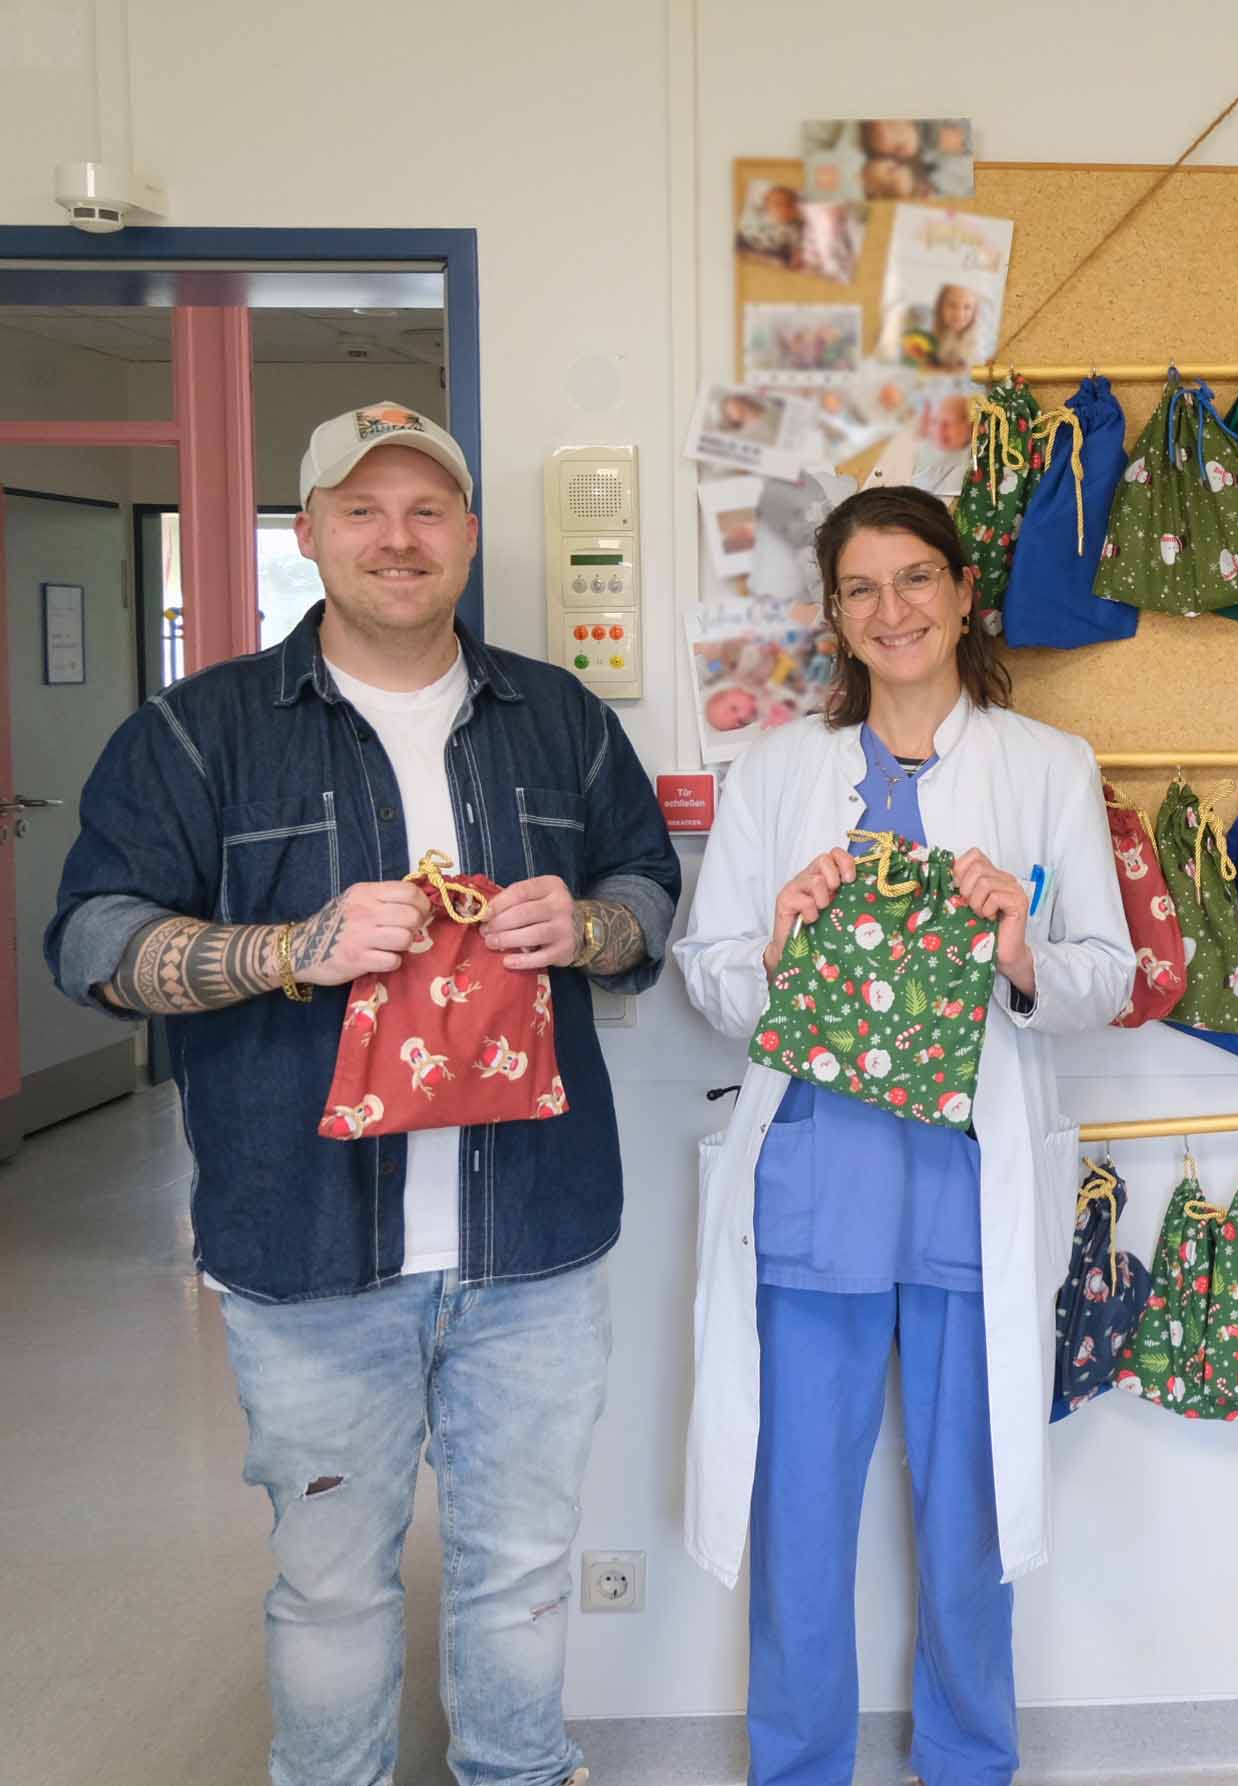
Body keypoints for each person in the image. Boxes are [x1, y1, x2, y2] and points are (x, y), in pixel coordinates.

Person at [44, 402, 680, 1786]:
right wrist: (290, 949)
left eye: (427, 509)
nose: (399, 538)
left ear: (469, 534)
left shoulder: (561, 718)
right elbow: (93, 941)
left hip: (536, 1247)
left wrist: (590, 926)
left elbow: (647, 888)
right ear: (314, 533)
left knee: (523, 1570)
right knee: (331, 1590)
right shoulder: (199, 732)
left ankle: (517, 1771)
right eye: (363, 510)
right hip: (309, 1251)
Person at [675, 485, 1132, 1786]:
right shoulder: (777, 773)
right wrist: (776, 951)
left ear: (964, 591)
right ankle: (799, 1767)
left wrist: (1020, 951)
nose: (894, 610)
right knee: (800, 1522)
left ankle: (970, 1762)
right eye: (862, 588)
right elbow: (711, 976)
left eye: (917, 577)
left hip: (967, 1192)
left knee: (970, 1519)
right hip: (816, 1186)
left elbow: (1106, 976)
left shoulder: (1047, 767)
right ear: (832, 614)